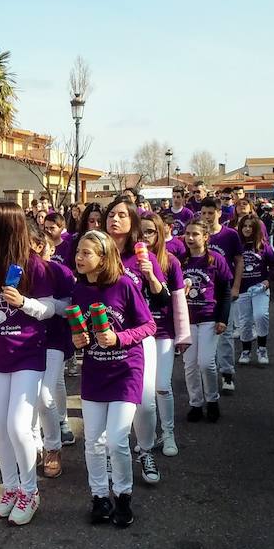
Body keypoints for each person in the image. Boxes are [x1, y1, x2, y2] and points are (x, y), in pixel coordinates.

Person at [0, 202, 55, 526]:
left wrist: (24, 303)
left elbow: (49, 309)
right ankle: (10, 488)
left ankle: (30, 490)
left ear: (5, 226)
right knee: (1, 428)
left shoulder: (34, 266)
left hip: (26, 355)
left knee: (20, 426)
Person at [71, 229, 156, 527]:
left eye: (87, 253)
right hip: (95, 372)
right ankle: (99, 497)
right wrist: (78, 341)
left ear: (103, 257)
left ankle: (123, 496)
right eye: (78, 252)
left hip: (125, 370)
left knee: (118, 439)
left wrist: (118, 337)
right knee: (93, 441)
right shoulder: (79, 290)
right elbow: (78, 332)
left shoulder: (124, 285)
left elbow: (148, 326)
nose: (79, 257)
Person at [104, 197, 168, 485]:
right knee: (105, 401)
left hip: (140, 338)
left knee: (145, 403)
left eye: (121, 215)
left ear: (131, 222)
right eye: (110, 215)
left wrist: (151, 277)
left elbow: (162, 299)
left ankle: (145, 450)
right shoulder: (98, 252)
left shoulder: (143, 257)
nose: (114, 220)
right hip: (106, 339)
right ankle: (108, 454)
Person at [140, 213, 190, 457]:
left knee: (162, 385)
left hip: (164, 332)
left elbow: (179, 301)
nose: (144, 237)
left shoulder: (170, 262)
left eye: (149, 231)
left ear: (159, 233)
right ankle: (145, 436)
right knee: (143, 390)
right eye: (140, 232)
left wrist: (183, 335)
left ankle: (168, 432)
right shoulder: (128, 262)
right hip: (138, 334)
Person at [29, 225, 74, 477]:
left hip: (54, 339)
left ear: (41, 246)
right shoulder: (17, 271)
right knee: (29, 398)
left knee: (46, 395)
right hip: (25, 341)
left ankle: (53, 446)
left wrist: (38, 305)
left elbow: (69, 307)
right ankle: (35, 445)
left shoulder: (60, 271)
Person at [181, 218, 232, 423]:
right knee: (190, 364)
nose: (190, 238)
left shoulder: (215, 259)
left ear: (205, 237)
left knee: (206, 363)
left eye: (195, 234)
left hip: (210, 318)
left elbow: (225, 292)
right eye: (187, 234)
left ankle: (212, 401)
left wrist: (223, 318)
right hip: (187, 320)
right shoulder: (181, 260)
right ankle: (195, 403)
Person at [199, 197, 244, 395]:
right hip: (203, 293)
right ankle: (206, 373)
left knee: (225, 332)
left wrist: (236, 287)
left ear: (219, 213)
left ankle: (227, 373)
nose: (207, 217)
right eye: (204, 213)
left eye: (211, 213)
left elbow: (239, 260)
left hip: (224, 291)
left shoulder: (230, 235)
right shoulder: (196, 234)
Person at [236, 215, 274, 366]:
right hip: (242, 289)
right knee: (245, 321)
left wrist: (267, 281)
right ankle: (246, 350)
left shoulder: (263, 246)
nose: (247, 229)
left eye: (250, 226)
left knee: (261, 316)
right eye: (244, 226)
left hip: (260, 288)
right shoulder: (237, 246)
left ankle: (262, 349)